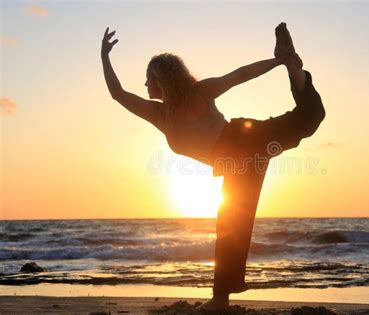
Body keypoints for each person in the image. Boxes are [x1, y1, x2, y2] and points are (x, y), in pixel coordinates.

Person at [101, 22, 325, 310]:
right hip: (237, 163)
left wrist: (277, 61)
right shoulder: (159, 114)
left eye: (148, 78)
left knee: (310, 117)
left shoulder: (198, 93)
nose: (144, 85)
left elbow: (240, 75)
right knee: (232, 223)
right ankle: (220, 299)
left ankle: (292, 67)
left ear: (160, 78)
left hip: (243, 141)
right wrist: (105, 57)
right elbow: (118, 94)